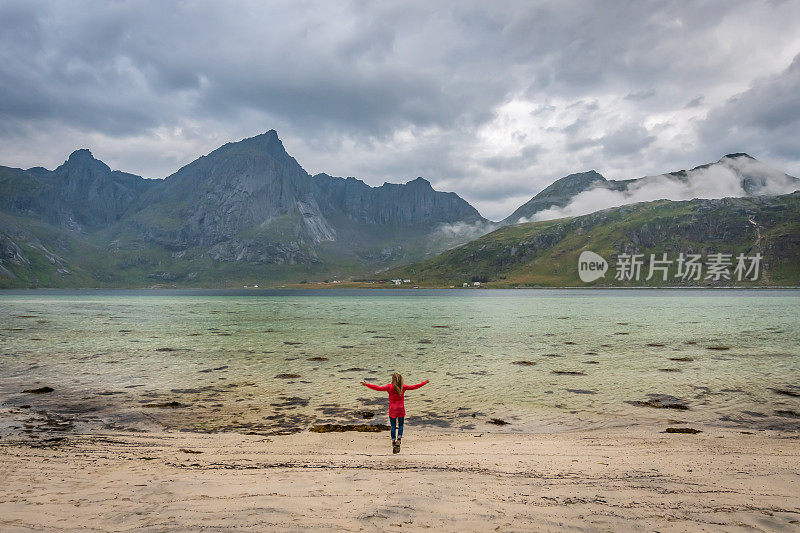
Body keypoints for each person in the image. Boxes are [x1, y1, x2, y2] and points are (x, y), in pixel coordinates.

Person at [360, 373, 429, 454]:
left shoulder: (389, 387)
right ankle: (399, 440)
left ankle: (393, 441)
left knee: (393, 426)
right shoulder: (403, 387)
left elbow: (377, 388)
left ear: (392, 379)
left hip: (392, 409)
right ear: (401, 379)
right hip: (401, 409)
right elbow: (415, 386)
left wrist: (367, 384)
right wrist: (424, 382)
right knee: (400, 425)